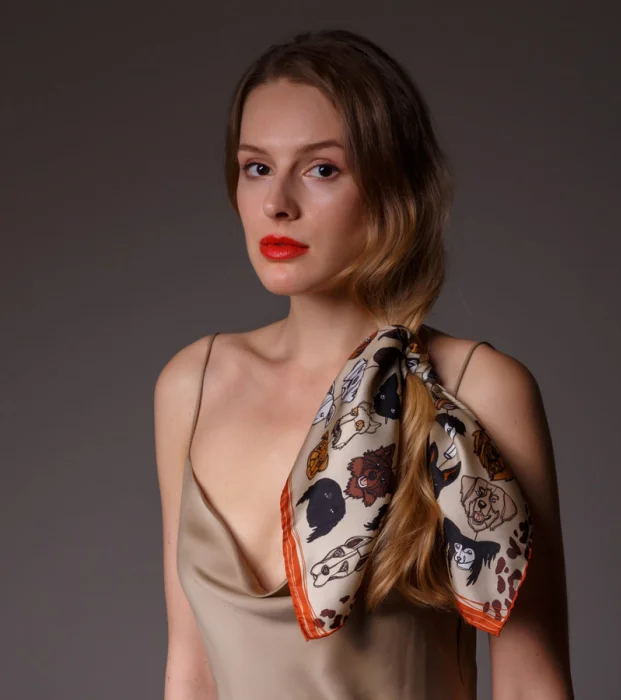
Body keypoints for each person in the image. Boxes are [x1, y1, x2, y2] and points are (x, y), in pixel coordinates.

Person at [154, 28, 574, 700]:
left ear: (393, 186)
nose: (277, 203)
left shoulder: (478, 388)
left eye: (321, 169)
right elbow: (190, 670)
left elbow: (531, 682)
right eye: (256, 167)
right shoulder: (193, 383)